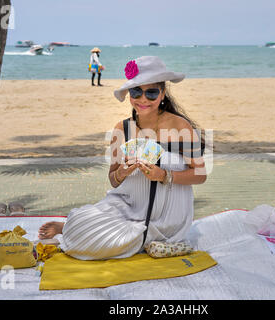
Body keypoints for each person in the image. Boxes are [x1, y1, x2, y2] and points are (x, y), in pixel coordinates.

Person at [38, 56, 207, 260]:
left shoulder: (180, 126)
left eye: (151, 93)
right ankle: (68, 227)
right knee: (81, 226)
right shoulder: (122, 129)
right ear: (129, 94)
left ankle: (74, 229)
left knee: (99, 244)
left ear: (162, 94)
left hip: (166, 217)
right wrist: (121, 172)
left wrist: (164, 175)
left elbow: (200, 174)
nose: (143, 99)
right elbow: (113, 180)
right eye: (137, 91)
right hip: (126, 204)